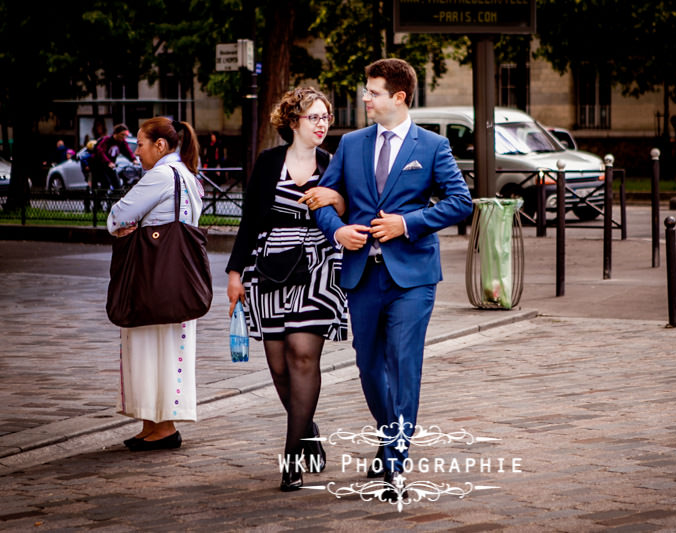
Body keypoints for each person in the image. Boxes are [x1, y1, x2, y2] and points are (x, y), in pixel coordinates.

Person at [314, 58, 473, 499]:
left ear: (398, 97)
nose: (365, 98)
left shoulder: (432, 146)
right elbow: (325, 200)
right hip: (362, 273)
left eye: (373, 92)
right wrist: (337, 229)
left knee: (404, 365)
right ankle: (390, 440)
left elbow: (461, 203)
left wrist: (408, 223)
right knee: (368, 366)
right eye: (366, 91)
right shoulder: (350, 144)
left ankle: (396, 465)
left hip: (413, 276)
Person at [226, 87, 348, 492]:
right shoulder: (267, 163)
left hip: (317, 265)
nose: (322, 124)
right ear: (293, 121)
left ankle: (292, 459)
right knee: (279, 366)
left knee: (301, 356)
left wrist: (338, 200)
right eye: (314, 117)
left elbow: (354, 206)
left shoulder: (333, 163)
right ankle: (307, 428)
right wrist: (234, 272)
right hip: (268, 269)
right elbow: (249, 222)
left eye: (326, 117)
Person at [106, 117, 204, 452]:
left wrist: (122, 227)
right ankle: (154, 423)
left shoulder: (161, 175)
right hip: (176, 277)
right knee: (166, 348)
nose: (136, 151)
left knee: (150, 346)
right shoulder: (188, 176)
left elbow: (118, 216)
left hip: (153, 275)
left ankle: (163, 427)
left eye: (141, 143)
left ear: (160, 145)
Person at [94, 123, 137, 193]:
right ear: (116, 133)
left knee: (117, 185)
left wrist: (133, 159)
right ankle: (98, 203)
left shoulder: (122, 142)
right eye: (122, 135)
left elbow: (127, 151)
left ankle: (115, 201)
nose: (123, 137)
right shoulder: (107, 140)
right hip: (100, 166)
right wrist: (108, 162)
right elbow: (100, 152)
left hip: (110, 166)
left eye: (125, 135)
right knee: (105, 184)